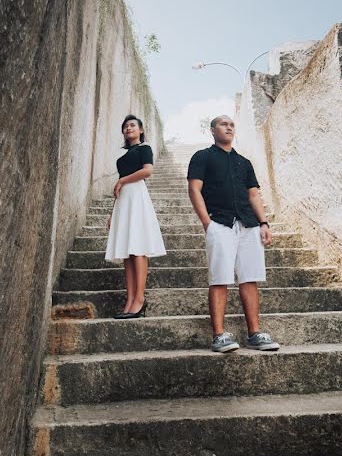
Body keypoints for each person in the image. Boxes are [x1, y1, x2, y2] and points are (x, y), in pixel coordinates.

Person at [187, 115, 280, 352]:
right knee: (220, 278)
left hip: (248, 225)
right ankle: (219, 335)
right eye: (223, 124)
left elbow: (253, 195)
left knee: (250, 277)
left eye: (231, 125)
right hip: (219, 223)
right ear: (212, 130)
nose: (228, 128)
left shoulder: (244, 162)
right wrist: (207, 223)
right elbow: (194, 190)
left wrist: (264, 223)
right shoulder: (202, 157)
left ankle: (255, 334)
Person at [105, 115, 166, 319]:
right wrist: (113, 212)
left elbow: (148, 171)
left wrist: (123, 179)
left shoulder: (144, 149)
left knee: (139, 249)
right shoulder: (124, 155)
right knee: (127, 252)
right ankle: (129, 300)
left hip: (137, 198)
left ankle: (139, 299)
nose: (129, 128)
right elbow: (119, 189)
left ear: (140, 130)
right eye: (126, 126)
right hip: (124, 201)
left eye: (133, 125)